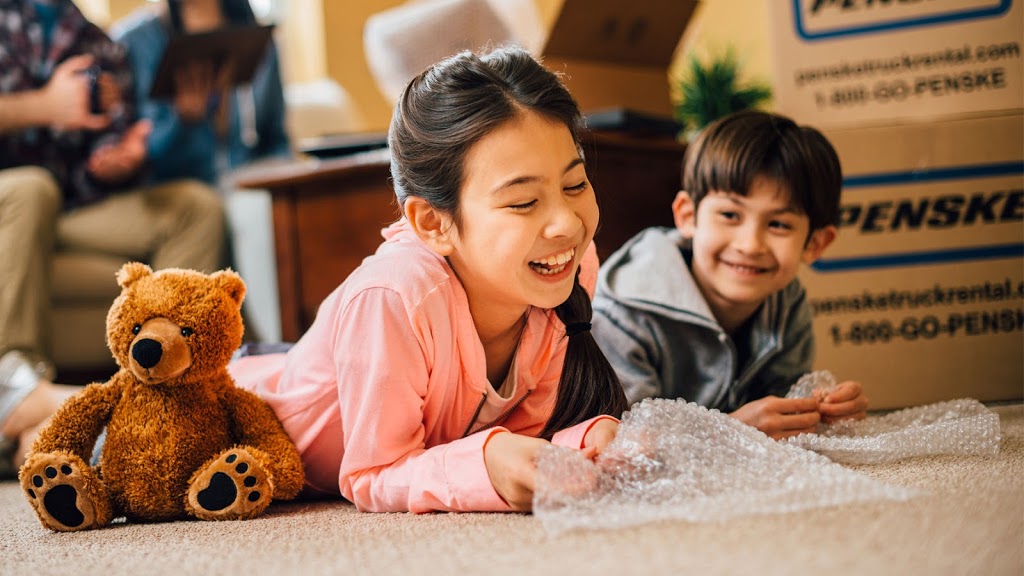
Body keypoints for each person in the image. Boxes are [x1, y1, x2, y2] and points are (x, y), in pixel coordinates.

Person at [228, 46, 627, 512]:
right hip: (239, 412)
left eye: (574, 184)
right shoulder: (394, 294)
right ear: (434, 224)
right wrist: (488, 463)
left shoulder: (569, 266)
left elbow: (530, 427)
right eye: (523, 202)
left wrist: (586, 439)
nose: (566, 224)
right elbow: (372, 473)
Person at [0, 0, 225, 476]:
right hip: (15, 196)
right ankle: (13, 390)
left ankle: (175, 392)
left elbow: (107, 142)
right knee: (30, 188)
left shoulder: (97, 43)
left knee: (194, 206)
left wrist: (118, 158)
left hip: (67, 206)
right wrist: (41, 107)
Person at [591, 110, 869, 440]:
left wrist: (820, 411)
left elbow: (784, 401)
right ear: (688, 216)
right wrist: (732, 430)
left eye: (778, 224)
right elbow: (622, 445)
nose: (750, 245)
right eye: (729, 214)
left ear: (815, 243)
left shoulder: (786, 300)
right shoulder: (623, 312)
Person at [111, 0, 291, 341]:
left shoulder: (259, 41)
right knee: (244, 213)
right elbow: (138, 158)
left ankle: (282, 345)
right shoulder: (136, 42)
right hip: (178, 187)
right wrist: (183, 121)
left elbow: (277, 139)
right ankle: (270, 346)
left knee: (265, 206)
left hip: (249, 179)